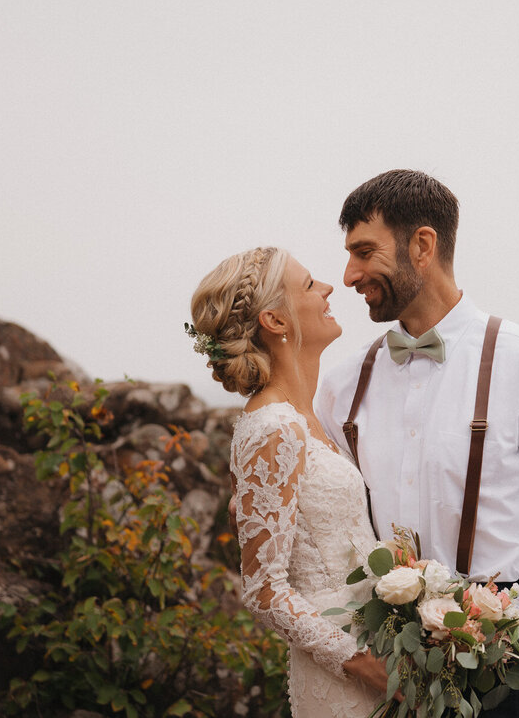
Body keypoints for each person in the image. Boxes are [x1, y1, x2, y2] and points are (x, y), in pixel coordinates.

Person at [316, 170, 519, 717]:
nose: (350, 275)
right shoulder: (342, 384)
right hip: (387, 671)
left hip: (506, 668)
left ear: (422, 245)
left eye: (364, 251)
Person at [188, 246, 386, 717]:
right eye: (309, 284)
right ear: (275, 321)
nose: (328, 288)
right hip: (344, 671)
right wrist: (359, 663)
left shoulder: (310, 418)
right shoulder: (272, 427)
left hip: (376, 647)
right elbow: (263, 590)